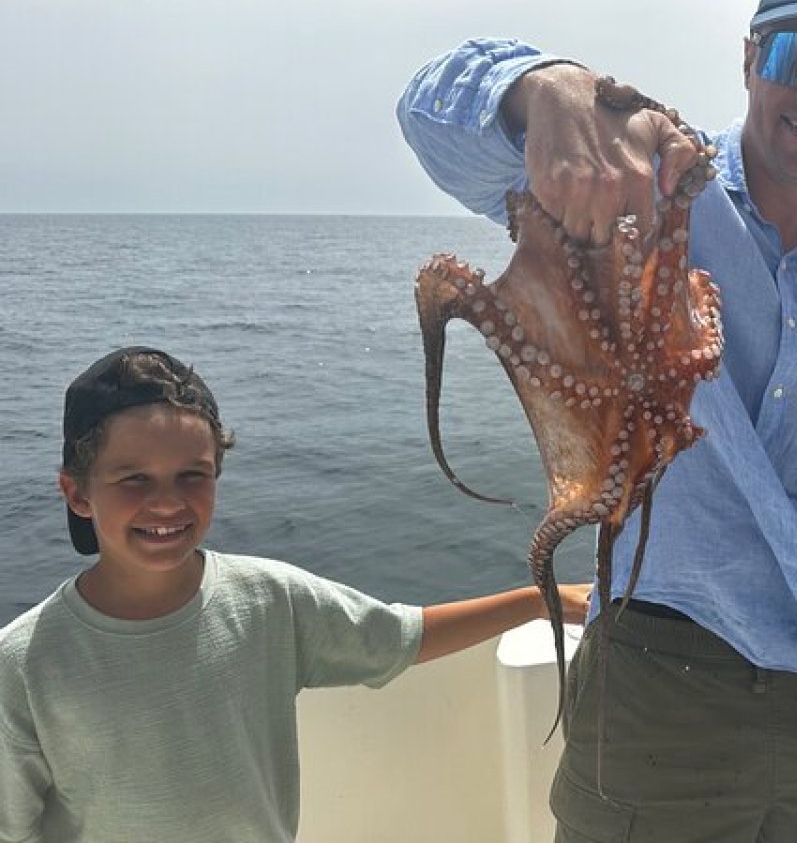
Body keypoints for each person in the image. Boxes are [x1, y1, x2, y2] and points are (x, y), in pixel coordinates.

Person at [398, 0, 797, 839]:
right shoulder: (639, 175)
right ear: (750, 56)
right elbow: (431, 121)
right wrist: (541, 85)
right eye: (795, 54)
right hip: (655, 658)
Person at [0, 346, 591, 842]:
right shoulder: (24, 662)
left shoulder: (268, 600)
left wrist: (538, 598)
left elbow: (398, 636)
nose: (168, 502)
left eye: (193, 475)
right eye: (134, 479)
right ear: (76, 493)